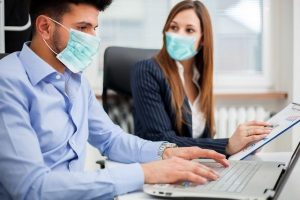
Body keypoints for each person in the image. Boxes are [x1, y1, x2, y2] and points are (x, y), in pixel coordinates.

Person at [0, 0, 230, 199]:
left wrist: (165, 152)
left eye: (94, 28)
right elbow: (30, 188)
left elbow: (111, 139)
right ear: (45, 27)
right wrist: (145, 173)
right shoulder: (7, 82)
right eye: (82, 28)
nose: (92, 38)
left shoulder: (75, 80)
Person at [131, 0, 272, 155]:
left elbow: (203, 138)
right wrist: (227, 145)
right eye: (174, 27)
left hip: (192, 168)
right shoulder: (146, 70)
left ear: (203, 39)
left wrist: (242, 146)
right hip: (158, 170)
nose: (178, 35)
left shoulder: (199, 78)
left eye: (189, 30)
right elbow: (162, 140)